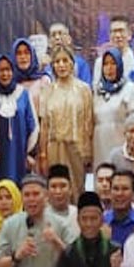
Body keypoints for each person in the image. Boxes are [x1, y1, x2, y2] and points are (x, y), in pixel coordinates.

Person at [37, 46, 93, 193]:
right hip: (54, 148)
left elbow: (88, 121)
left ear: (72, 63)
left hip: (77, 148)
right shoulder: (48, 91)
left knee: (77, 189)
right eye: (57, 62)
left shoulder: (83, 89)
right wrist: (43, 155)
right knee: (57, 189)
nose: (61, 65)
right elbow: (44, 126)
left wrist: (88, 152)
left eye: (65, 60)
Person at [0, 53, 39, 204]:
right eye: (1, 70)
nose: (5, 74)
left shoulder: (23, 94)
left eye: (8, 70)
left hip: (19, 155)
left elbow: (33, 125)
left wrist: (30, 153)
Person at [92, 48, 134, 170]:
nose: (109, 68)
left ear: (120, 65)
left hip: (123, 144)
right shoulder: (98, 92)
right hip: (100, 145)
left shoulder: (130, 89)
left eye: (113, 63)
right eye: (106, 64)